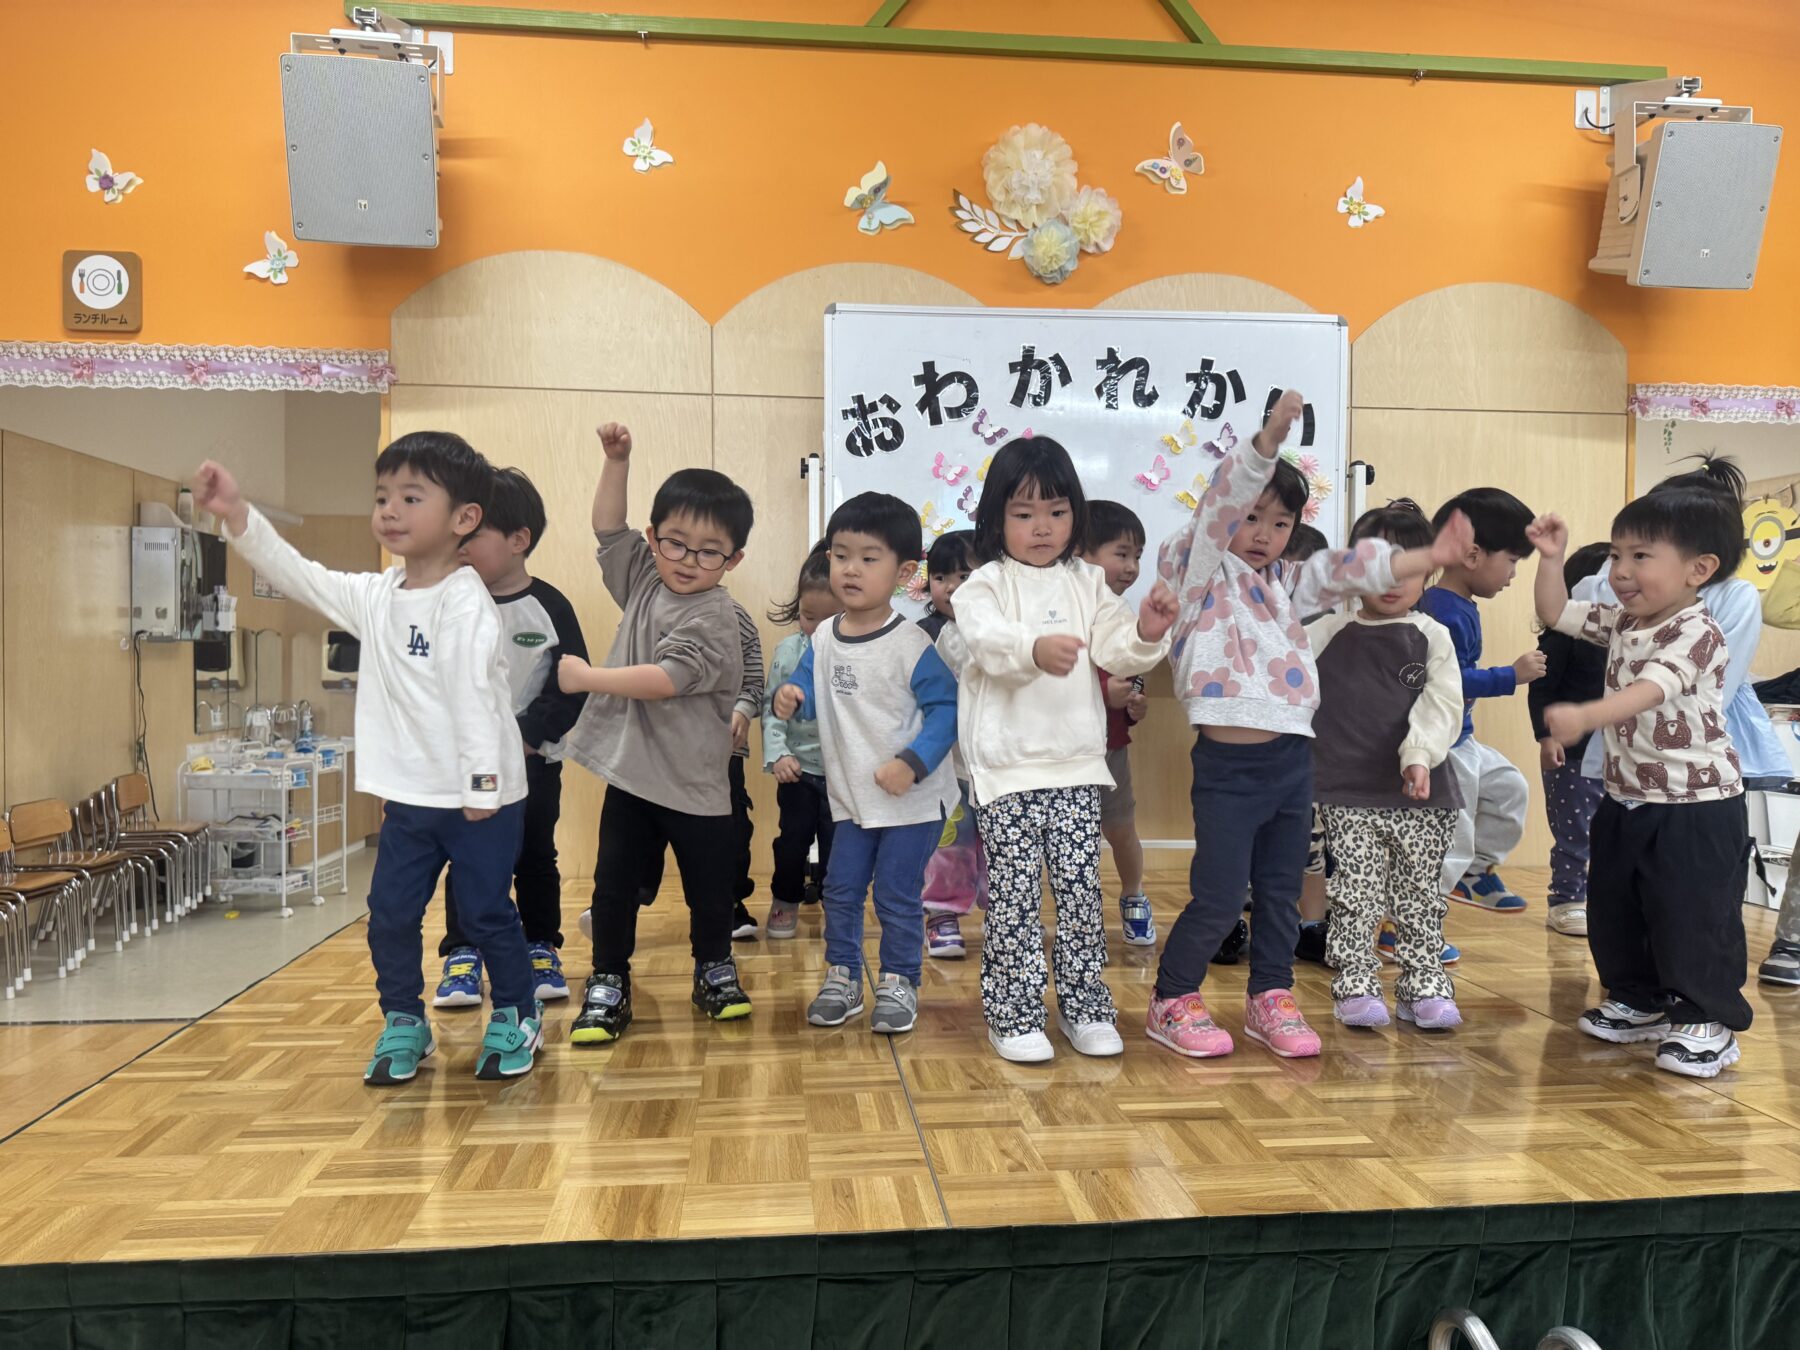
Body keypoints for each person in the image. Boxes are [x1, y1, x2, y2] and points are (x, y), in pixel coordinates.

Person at [192, 436, 542, 1084]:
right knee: (390, 914)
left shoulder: (465, 601)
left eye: (411, 497)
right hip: (411, 801)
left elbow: (472, 697)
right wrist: (238, 515)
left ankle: (519, 1012)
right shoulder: (377, 596)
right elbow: (301, 574)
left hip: (483, 799)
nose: (390, 510)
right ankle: (404, 1018)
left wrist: (480, 786)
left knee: (484, 912)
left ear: (464, 518)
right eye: (382, 497)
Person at [1151, 391, 1474, 1060]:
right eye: (1251, 517)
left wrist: (1425, 556)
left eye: (1280, 522)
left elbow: (1347, 570)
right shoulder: (1200, 572)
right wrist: (1267, 442)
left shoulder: (1287, 585)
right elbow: (1217, 509)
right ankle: (1172, 998)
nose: (1263, 533)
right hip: (1229, 769)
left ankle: (1271, 995)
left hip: (1291, 764)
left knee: (1282, 895)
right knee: (1220, 896)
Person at [949, 437, 1177, 1062]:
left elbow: (1117, 646)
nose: (1042, 527)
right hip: (1006, 772)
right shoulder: (982, 586)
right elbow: (988, 642)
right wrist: (1033, 649)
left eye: (1056, 511)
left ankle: (1086, 1008)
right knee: (1016, 900)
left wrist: (1147, 631)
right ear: (996, 518)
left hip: (1077, 767)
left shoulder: (1089, 582)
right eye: (1023, 514)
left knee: (1080, 895)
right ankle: (1014, 1014)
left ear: (1075, 513)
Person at [1529, 494, 1751, 1078]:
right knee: (1617, 906)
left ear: (1698, 569)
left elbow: (1649, 691)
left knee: (1691, 913)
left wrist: (1585, 716)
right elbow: (1556, 612)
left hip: (1696, 805)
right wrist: (1550, 559)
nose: (1620, 571)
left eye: (1640, 556)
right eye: (1616, 555)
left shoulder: (1697, 631)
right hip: (1627, 796)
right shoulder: (1625, 620)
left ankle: (1707, 1018)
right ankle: (1639, 998)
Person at [559, 422, 753, 1044]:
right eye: (676, 543)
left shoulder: (717, 616)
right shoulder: (645, 578)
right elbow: (607, 528)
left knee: (709, 889)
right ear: (654, 539)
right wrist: (617, 461)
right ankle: (608, 980)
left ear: (733, 559)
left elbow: (667, 680)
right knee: (613, 885)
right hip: (633, 775)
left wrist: (588, 677)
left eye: (709, 551)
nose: (688, 561)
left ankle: (713, 967)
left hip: (696, 783)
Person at [772, 493, 960, 1035]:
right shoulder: (825, 636)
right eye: (840, 555)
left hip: (912, 802)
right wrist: (793, 695)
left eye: (868, 558)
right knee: (840, 889)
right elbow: (810, 680)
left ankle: (900, 981)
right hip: (853, 798)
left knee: (896, 895)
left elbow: (947, 711)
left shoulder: (912, 644)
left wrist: (912, 763)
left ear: (903, 573)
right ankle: (844, 977)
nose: (850, 569)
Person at [432, 466, 588, 1008]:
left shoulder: (550, 607)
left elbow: (569, 686)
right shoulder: (448, 603)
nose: (460, 546)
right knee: (468, 857)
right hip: (468, 766)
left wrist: (524, 738)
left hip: (532, 763)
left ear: (518, 540)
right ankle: (463, 952)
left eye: (472, 534)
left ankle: (541, 946)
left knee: (535, 855)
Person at [1307, 502, 1465, 1029]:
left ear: (1430, 572)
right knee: (1355, 893)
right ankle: (1355, 983)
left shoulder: (1432, 634)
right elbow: (1290, 684)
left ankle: (1424, 985)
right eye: (1381, 568)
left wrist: (1418, 756)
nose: (1394, 582)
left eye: (1408, 568)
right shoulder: (1327, 631)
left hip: (1422, 792)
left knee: (1419, 895)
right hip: (1347, 790)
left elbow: (1442, 704)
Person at [1418, 489, 1543, 912]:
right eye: (1512, 561)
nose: (1513, 574)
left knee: (1509, 789)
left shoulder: (1460, 605)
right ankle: (1412, 922)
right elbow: (1444, 681)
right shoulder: (1441, 611)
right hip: (1440, 745)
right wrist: (1511, 675)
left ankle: (1471, 875)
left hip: (1461, 738)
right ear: (1473, 556)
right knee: (1451, 831)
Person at [625, 600, 763, 938]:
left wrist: (743, 711)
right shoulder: (647, 612)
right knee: (640, 832)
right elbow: (632, 673)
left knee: (729, 832)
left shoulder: (736, 616)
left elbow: (754, 681)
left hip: (719, 752)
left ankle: (729, 904)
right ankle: (621, 904)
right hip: (655, 748)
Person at [1079, 500, 1156, 949]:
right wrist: (1099, 693)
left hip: (1110, 745)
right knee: (1073, 839)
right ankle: (1080, 912)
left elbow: (1132, 676)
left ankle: (1133, 894)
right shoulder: (1067, 609)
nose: (1131, 567)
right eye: (1121, 553)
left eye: (1137, 556)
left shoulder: (1124, 614)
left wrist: (1133, 706)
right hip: (1068, 748)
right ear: (1082, 554)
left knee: (1121, 827)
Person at [1527, 541, 1612, 938]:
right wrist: (1546, 738)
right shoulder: (1564, 635)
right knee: (1575, 830)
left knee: (1613, 832)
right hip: (1572, 752)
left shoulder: (1629, 633)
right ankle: (1566, 899)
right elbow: (1542, 688)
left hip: (1616, 755)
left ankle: (1604, 900)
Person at [916, 530, 988, 959]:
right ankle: (941, 914)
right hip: (948, 766)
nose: (951, 587)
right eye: (941, 577)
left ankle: (1007, 916)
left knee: (1002, 846)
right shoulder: (923, 634)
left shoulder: (1003, 632)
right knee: (949, 844)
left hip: (997, 765)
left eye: (964, 576)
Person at [763, 541, 840, 940]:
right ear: (798, 609)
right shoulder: (788, 651)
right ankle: (785, 898)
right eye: (809, 617)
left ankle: (836, 904)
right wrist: (778, 755)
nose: (819, 628)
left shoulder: (855, 654)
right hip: (798, 771)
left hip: (842, 776)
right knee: (792, 842)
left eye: (831, 618)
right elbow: (772, 709)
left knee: (838, 848)